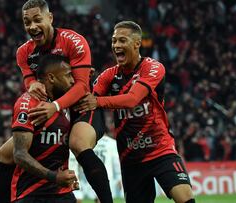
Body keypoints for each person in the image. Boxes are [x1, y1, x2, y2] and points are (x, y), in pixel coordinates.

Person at [0, 0, 112, 203]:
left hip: (81, 103)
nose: (32, 26)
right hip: (52, 108)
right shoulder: (24, 52)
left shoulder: (73, 41)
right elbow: (31, 81)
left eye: (37, 20)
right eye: (27, 22)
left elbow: (82, 86)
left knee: (78, 143)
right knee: (5, 154)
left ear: (50, 18)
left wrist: (56, 106)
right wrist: (32, 84)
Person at [75, 21, 195, 203]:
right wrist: (81, 79)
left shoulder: (153, 68)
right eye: (114, 41)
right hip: (130, 158)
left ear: (137, 44)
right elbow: (87, 99)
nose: (116, 46)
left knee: (185, 198)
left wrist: (97, 101)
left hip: (160, 150)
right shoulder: (109, 75)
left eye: (122, 40)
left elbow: (132, 99)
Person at [11, 54, 79, 203]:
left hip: (62, 192)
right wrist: (54, 177)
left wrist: (67, 178)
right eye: (68, 76)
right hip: (31, 194)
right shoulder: (27, 103)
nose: (72, 80)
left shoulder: (66, 104)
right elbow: (20, 154)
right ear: (52, 78)